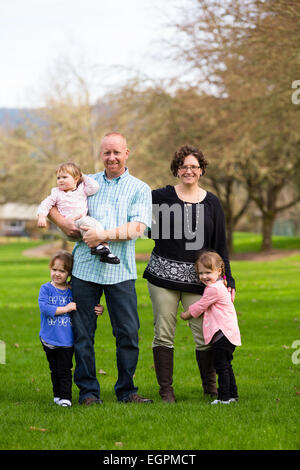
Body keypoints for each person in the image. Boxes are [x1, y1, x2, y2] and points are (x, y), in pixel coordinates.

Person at [48, 132, 153, 405]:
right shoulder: (86, 183)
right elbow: (57, 208)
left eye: (117, 152)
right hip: (85, 270)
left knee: (128, 333)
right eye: (107, 152)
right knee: (83, 334)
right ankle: (88, 392)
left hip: (121, 272)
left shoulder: (139, 188)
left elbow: (138, 228)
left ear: (127, 153)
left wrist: (102, 234)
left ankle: (127, 391)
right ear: (100, 154)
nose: (112, 157)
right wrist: (62, 222)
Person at [143, 144, 235, 403]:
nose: (188, 171)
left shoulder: (212, 202)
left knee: (205, 335)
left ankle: (211, 388)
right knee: (163, 333)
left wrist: (228, 279)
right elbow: (139, 216)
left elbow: (220, 245)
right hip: (162, 279)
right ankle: (166, 391)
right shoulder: (160, 197)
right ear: (176, 169)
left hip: (200, 282)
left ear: (202, 170)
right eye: (184, 166)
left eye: (194, 166)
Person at [181, 251, 241, 404]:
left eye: (208, 272)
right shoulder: (220, 285)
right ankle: (233, 395)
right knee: (226, 366)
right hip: (227, 333)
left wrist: (186, 314)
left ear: (219, 271)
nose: (204, 276)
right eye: (200, 273)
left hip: (223, 334)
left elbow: (201, 305)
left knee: (221, 367)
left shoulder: (214, 289)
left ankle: (224, 398)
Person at [37, 161, 120, 264]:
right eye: (58, 178)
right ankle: (100, 247)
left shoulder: (82, 189)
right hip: (69, 227)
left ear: (76, 179)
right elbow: (46, 204)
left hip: (82, 226)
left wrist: (83, 176)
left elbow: (94, 187)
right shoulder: (56, 193)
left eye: (64, 177)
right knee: (89, 222)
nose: (60, 180)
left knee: (91, 224)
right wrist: (41, 216)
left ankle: (105, 253)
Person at [38, 250, 76, 407]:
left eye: (62, 271)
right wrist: (66, 308)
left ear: (69, 273)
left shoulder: (72, 290)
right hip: (49, 338)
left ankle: (66, 397)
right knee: (54, 369)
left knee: (65, 369)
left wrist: (97, 308)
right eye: (54, 270)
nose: (57, 274)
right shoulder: (46, 289)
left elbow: (84, 305)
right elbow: (46, 309)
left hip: (66, 339)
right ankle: (57, 394)